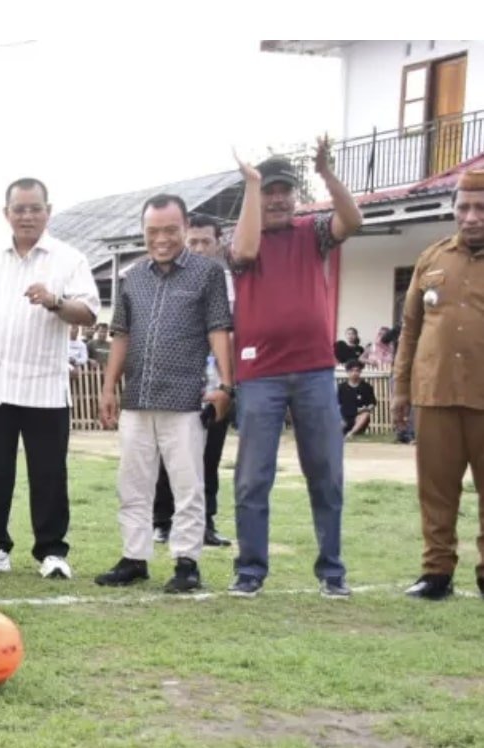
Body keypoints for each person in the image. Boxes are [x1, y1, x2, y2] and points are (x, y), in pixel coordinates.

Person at [228, 139, 362, 599]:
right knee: (253, 477)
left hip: (314, 372)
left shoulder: (314, 230)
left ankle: (332, 571)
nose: (278, 199)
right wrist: (250, 184)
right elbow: (244, 253)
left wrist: (326, 173)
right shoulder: (243, 235)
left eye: (284, 190)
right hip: (259, 375)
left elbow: (354, 220)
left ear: (295, 195)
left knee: (326, 473)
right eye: (269, 191)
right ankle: (250, 571)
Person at [0, 178, 100, 579]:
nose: (27, 216)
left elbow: (88, 313)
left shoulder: (69, 259)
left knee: (48, 473)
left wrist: (54, 301)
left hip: (45, 386)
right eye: (19, 209)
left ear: (48, 212)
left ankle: (52, 552)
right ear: (7, 214)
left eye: (35, 208)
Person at [94, 194, 233, 593]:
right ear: (143, 232)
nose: (162, 239)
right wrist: (108, 386)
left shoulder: (207, 274)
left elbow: (218, 329)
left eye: (170, 230)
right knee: (133, 483)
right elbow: (121, 334)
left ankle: (187, 562)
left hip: (186, 397)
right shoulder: (133, 276)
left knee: (188, 483)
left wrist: (226, 385)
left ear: (185, 228)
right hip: (137, 396)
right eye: (153, 231)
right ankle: (134, 557)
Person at [394, 169, 484, 601]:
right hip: (435, 395)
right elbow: (409, 329)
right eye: (463, 207)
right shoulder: (431, 259)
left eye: (480, 208)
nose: (471, 217)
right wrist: (400, 390)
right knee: (435, 492)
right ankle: (436, 573)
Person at [153, 213, 235, 548]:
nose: (199, 248)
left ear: (219, 244)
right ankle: (162, 520)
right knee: (169, 455)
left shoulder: (230, 285)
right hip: (176, 383)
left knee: (210, 457)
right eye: (194, 241)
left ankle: (205, 522)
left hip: (217, 383)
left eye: (206, 242)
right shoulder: (167, 279)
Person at [337, 360, 375, 438]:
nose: (354, 373)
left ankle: (351, 433)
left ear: (360, 372)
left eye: (357, 371)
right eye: (351, 371)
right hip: (344, 416)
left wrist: (366, 408)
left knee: (365, 415)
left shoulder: (366, 387)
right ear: (347, 372)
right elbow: (336, 404)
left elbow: (372, 404)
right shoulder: (341, 387)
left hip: (358, 417)